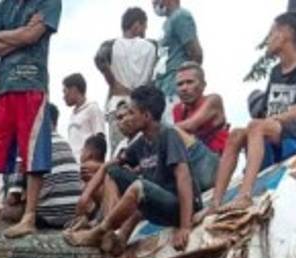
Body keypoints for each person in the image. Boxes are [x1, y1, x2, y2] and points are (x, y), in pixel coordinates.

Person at [209, 13, 296, 212]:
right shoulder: (275, 72)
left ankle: (245, 195)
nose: (269, 39)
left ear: (284, 35)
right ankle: (214, 203)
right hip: (278, 131)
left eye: (272, 33)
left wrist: (260, 125)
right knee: (236, 134)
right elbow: (266, 114)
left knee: (256, 126)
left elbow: (295, 114)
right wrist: (254, 129)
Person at [0, 0, 63, 239]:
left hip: (32, 85)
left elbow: (32, 37)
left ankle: (29, 216)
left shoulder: (49, 2)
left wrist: (2, 35)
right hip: (5, 89)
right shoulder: (6, 4)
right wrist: (20, 34)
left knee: (33, 153)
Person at [70, 84, 198, 254]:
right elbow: (110, 166)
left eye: (131, 113)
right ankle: (116, 237)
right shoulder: (140, 144)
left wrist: (185, 226)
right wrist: (85, 195)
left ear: (146, 116)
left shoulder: (168, 135)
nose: (127, 119)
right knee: (114, 172)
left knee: (139, 187)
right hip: (157, 202)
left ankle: (98, 232)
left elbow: (184, 178)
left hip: (178, 206)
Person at [95, 7, 159, 151]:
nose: (145, 32)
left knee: (120, 151)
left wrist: (113, 82)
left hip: (119, 106)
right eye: (144, 27)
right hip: (143, 108)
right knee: (146, 152)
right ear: (137, 25)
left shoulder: (110, 45)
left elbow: (99, 59)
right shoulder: (153, 46)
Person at [35, 104, 83, 229]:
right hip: (74, 213)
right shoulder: (65, 143)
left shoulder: (35, 144)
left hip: (48, 215)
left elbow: (13, 198)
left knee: (9, 212)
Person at [152, 0, 203, 120]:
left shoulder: (180, 16)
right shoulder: (167, 23)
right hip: (164, 91)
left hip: (175, 91)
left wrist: (188, 85)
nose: (154, 4)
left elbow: (196, 54)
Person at [173, 62, 229, 155]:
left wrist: (162, 130)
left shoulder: (214, 100)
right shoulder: (177, 109)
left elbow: (190, 125)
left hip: (217, 158)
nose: (184, 88)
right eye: (180, 84)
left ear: (203, 85)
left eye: (189, 82)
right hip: (191, 158)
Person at [61, 73, 106, 158]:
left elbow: (100, 137)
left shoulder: (92, 108)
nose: (63, 97)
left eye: (65, 91)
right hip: (75, 162)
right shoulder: (73, 115)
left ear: (74, 90)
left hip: (88, 161)